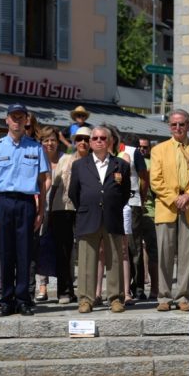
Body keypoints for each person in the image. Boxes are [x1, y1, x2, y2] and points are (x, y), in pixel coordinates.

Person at [0, 104, 50, 316]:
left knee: (25, 252)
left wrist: (40, 211)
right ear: (7, 120)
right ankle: (6, 299)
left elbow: (42, 181)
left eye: (21, 117)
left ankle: (23, 299)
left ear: (26, 120)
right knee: (6, 251)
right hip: (3, 203)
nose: (17, 121)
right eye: (13, 117)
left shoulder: (36, 148)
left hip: (27, 203)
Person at [149, 109, 189, 312]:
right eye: (174, 124)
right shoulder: (159, 149)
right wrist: (174, 198)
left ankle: (183, 296)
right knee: (164, 254)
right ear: (169, 126)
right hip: (167, 207)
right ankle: (164, 297)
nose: (178, 128)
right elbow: (155, 181)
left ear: (188, 126)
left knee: (187, 253)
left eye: (182, 124)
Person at [69, 125, 132, 313]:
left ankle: (115, 298)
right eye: (95, 138)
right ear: (90, 142)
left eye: (103, 138)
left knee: (114, 259)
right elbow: (74, 193)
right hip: (88, 217)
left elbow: (125, 192)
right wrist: (87, 206)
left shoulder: (121, 165)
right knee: (87, 260)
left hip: (112, 216)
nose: (98, 141)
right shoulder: (79, 165)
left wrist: (112, 205)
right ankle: (86, 300)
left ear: (110, 141)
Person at [46, 125, 88, 303]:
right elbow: (55, 186)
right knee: (63, 252)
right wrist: (48, 212)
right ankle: (64, 290)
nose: (83, 142)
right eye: (79, 139)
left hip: (85, 211)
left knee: (85, 251)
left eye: (87, 139)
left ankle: (87, 291)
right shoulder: (66, 159)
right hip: (62, 209)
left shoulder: (95, 161)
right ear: (73, 141)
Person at [128, 135, 157, 301]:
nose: (142, 150)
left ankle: (150, 288)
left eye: (145, 148)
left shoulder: (151, 163)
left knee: (150, 251)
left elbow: (148, 183)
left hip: (148, 211)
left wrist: (143, 198)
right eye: (139, 147)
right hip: (134, 209)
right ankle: (135, 286)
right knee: (133, 249)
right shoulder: (128, 158)